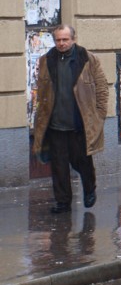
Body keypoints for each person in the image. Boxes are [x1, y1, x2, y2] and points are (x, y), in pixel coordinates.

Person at [32, 24, 108, 214]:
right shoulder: (46, 60)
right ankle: (63, 202)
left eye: (65, 39)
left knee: (83, 162)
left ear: (73, 39)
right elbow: (42, 93)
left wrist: (99, 115)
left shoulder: (87, 59)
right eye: (58, 40)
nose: (61, 43)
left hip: (79, 124)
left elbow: (102, 88)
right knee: (59, 167)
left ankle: (89, 189)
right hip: (56, 125)